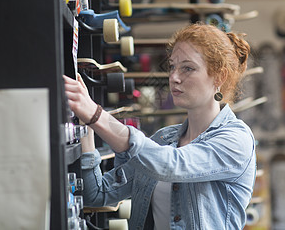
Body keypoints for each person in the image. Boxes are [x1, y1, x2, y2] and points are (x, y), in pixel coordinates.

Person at [63, 22, 256, 229]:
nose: (174, 78)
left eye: (188, 68)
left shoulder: (236, 140)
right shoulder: (163, 140)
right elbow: (98, 194)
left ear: (219, 76)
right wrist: (85, 123)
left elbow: (171, 165)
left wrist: (96, 115)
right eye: (172, 66)